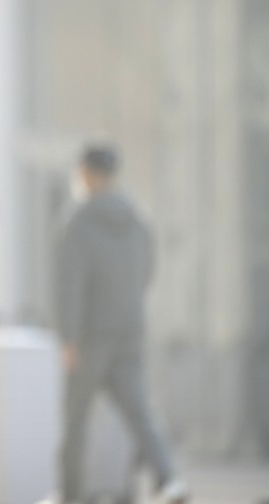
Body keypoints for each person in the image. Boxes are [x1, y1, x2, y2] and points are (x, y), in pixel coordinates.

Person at [52, 141, 188, 504]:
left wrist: (68, 338)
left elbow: (71, 285)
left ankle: (70, 494)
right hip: (130, 331)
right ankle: (169, 480)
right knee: (140, 412)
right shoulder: (139, 219)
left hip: (89, 337)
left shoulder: (78, 221)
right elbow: (148, 272)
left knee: (76, 421)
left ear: (86, 173)